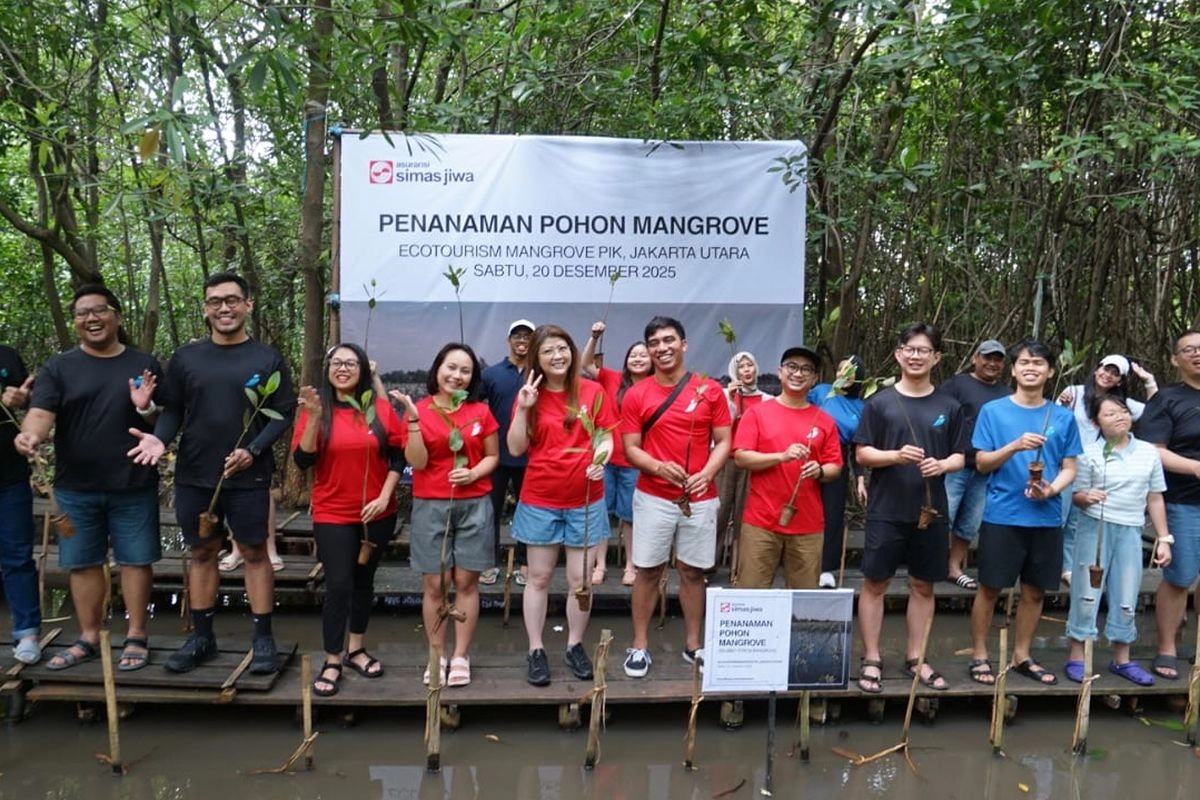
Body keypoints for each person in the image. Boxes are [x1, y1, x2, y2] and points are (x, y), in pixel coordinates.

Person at [128, 272, 295, 675]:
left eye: (232, 300)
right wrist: (159, 438)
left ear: (247, 305)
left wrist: (253, 451)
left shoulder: (267, 359)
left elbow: (283, 413)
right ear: (205, 309)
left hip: (249, 475)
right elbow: (174, 410)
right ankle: (202, 637)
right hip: (195, 473)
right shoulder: (187, 358)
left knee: (254, 553)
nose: (224, 308)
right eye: (215, 301)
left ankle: (263, 638)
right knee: (202, 552)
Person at [16, 285, 163, 671]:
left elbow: (164, 421)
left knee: (136, 561)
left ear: (116, 316)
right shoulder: (59, 367)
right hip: (75, 485)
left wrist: (146, 408)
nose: (91, 318)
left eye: (99, 310)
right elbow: (40, 413)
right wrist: (30, 435)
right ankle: (88, 637)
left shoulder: (143, 363)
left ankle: (136, 635)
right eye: (82, 313)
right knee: (82, 562)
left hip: (133, 482)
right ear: (76, 323)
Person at [853, 322, 966, 693]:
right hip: (886, 509)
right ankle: (872, 657)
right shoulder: (879, 403)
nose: (916, 356)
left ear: (936, 357)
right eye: (910, 349)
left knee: (923, 584)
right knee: (875, 582)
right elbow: (862, 453)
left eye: (924, 350)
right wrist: (895, 456)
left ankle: (916, 657)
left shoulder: (949, 406)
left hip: (931, 511)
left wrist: (942, 465)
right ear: (898, 354)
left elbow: (961, 456)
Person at [620, 316, 731, 678]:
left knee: (693, 571)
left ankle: (693, 644)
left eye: (669, 340)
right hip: (653, 495)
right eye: (654, 343)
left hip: (699, 496)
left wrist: (707, 473)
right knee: (648, 570)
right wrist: (657, 466)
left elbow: (724, 441)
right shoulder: (637, 394)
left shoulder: (709, 389)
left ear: (684, 344)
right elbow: (631, 447)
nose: (662, 348)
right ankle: (639, 645)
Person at [967, 339, 1082, 687]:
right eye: (1024, 363)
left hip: (1046, 516)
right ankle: (979, 655)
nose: (1031, 368)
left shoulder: (1062, 416)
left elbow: (1070, 467)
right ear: (1014, 370)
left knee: (1035, 591)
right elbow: (982, 463)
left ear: (1050, 371)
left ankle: (1022, 655)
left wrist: (1052, 490)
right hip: (1002, 515)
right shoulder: (993, 411)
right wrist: (1015, 445)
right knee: (990, 588)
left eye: (1039, 363)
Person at [292, 343, 404, 696]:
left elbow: (398, 457)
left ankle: (356, 648)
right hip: (333, 512)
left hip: (378, 514)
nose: (343, 368)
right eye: (336, 363)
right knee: (338, 584)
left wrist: (384, 496)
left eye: (351, 363)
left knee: (363, 582)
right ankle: (332, 658)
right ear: (327, 370)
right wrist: (313, 417)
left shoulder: (379, 409)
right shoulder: (316, 410)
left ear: (363, 370)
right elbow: (303, 461)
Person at [508, 325, 616, 685]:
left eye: (563, 348)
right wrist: (523, 409)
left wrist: (601, 458)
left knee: (580, 580)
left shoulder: (593, 391)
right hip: (541, 498)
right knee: (538, 577)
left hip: (585, 499)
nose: (557, 356)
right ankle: (536, 649)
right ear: (536, 358)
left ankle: (574, 644)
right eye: (548, 351)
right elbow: (515, 448)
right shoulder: (529, 394)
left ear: (572, 351)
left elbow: (606, 436)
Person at [393, 343, 498, 688]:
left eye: (465, 370)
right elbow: (417, 462)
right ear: (437, 369)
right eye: (451, 367)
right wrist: (412, 419)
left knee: (466, 582)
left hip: (474, 503)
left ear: (473, 377)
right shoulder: (420, 409)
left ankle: (461, 655)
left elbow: (492, 457)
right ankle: (436, 654)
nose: (457, 375)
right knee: (435, 584)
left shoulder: (480, 412)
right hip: (431, 503)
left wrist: (473, 473)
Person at [1064, 394, 1171, 686]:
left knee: (1127, 595)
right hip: (1094, 529)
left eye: (1122, 411)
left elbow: (1155, 497)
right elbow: (1076, 496)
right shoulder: (1088, 453)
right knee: (1086, 593)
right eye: (1109, 414)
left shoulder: (1148, 452)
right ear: (1096, 422)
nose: (1119, 417)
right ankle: (1077, 656)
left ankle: (1122, 659)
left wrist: (1164, 538)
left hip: (1130, 529)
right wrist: (1087, 497)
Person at [733, 346, 842, 589]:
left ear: (814, 379)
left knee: (804, 598)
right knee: (751, 595)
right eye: (792, 366)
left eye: (806, 369)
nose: (798, 373)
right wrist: (781, 457)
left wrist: (820, 471)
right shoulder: (758, 413)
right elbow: (741, 457)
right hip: (761, 521)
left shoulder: (824, 420)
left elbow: (834, 466)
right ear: (779, 372)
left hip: (808, 524)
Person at [1058, 354, 1159, 584]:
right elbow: (1054, 424)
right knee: (1060, 518)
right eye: (1105, 369)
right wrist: (1062, 406)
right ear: (1096, 369)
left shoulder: (1121, 405)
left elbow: (1156, 412)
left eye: (1115, 373)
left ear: (1120, 380)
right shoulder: (1074, 393)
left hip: (1098, 468)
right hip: (1066, 465)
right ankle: (1053, 564)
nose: (1108, 375)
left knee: (1077, 521)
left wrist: (1148, 381)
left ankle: (1069, 567)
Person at [1138, 329, 1200, 681]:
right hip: (1182, 500)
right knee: (1180, 576)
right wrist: (1194, 467)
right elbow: (1153, 451)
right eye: (1189, 350)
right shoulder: (1166, 400)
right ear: (1176, 359)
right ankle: (1166, 649)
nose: (1197, 354)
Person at [581, 322, 652, 586]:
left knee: (630, 518)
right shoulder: (613, 378)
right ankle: (599, 565)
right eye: (634, 354)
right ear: (626, 359)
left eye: (643, 355)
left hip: (635, 463)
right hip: (605, 460)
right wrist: (594, 337)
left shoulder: (656, 386)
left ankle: (631, 565)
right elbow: (586, 364)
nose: (638, 358)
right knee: (601, 514)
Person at [941, 339, 1011, 589]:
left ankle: (953, 568)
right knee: (942, 516)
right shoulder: (957, 384)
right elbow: (939, 415)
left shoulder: (1007, 394)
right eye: (987, 357)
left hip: (986, 468)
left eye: (997, 359)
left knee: (970, 522)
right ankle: (929, 566)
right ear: (975, 358)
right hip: (955, 463)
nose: (992, 363)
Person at [479, 320, 534, 586]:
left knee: (528, 512)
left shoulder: (540, 373)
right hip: (496, 455)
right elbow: (474, 406)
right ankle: (488, 562)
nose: (522, 341)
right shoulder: (491, 374)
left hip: (530, 456)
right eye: (517, 336)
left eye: (527, 336)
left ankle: (525, 563)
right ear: (508, 340)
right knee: (490, 511)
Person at [809, 355, 868, 588]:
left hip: (837, 458)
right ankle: (799, 563)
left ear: (858, 376)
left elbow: (857, 447)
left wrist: (860, 480)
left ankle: (826, 568)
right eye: (841, 369)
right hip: (808, 451)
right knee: (804, 509)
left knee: (832, 514)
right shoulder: (821, 392)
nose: (843, 374)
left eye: (850, 370)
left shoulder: (861, 408)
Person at [1, 345, 40, 664]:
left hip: (9, 476)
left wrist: (22, 400)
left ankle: (27, 633)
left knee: (17, 556)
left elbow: (32, 400)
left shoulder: (7, 356)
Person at [716, 350, 772, 565]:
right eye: (741, 367)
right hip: (726, 461)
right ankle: (707, 567)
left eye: (750, 365)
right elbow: (720, 429)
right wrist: (731, 401)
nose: (746, 370)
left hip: (751, 461)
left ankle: (740, 568)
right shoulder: (724, 395)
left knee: (745, 515)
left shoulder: (767, 400)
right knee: (719, 513)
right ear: (734, 371)